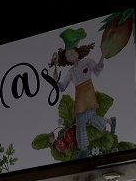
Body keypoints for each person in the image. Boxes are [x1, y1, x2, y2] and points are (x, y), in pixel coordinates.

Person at [50, 28, 117, 156]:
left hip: (88, 93)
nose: (70, 56)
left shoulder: (86, 62)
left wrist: (103, 55)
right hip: (79, 96)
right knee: (90, 118)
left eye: (72, 53)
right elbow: (62, 87)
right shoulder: (70, 72)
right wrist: (56, 81)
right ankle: (109, 121)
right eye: (67, 55)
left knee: (81, 122)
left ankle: (83, 149)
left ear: (77, 52)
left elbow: (97, 70)